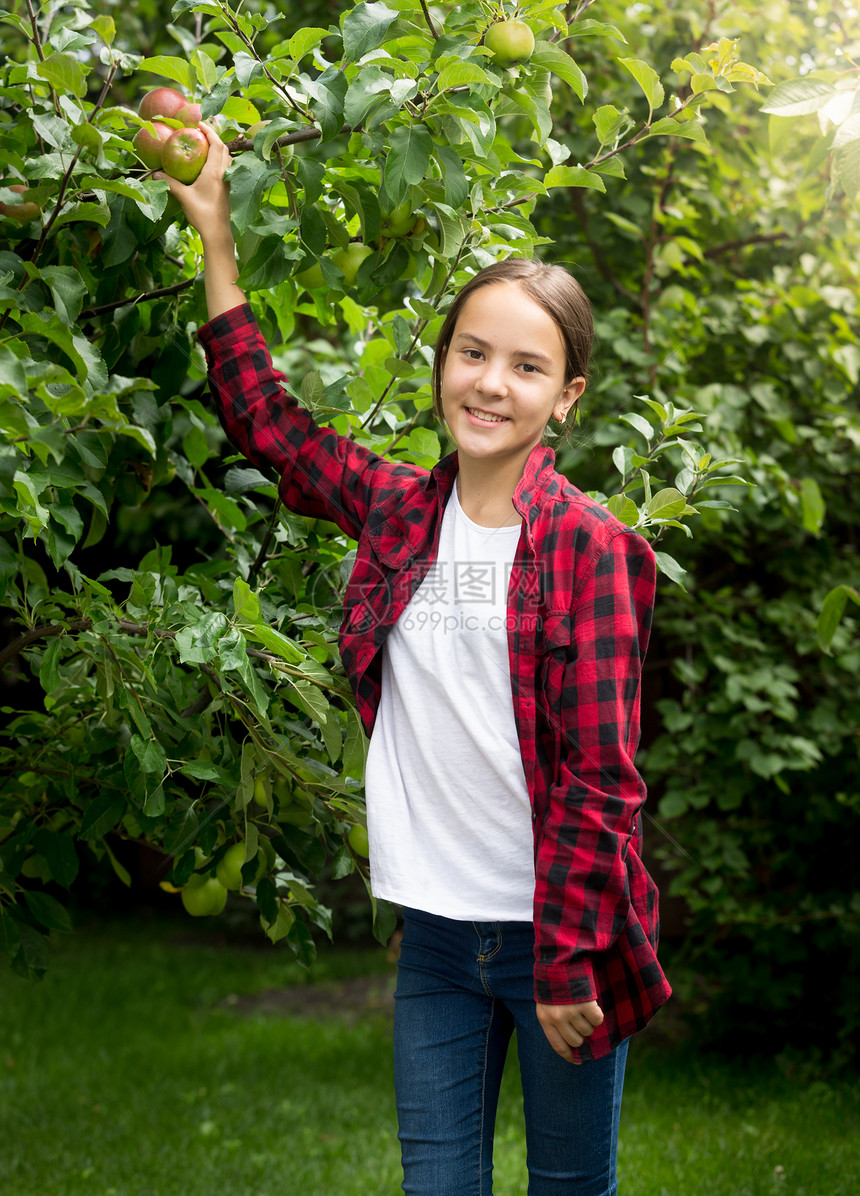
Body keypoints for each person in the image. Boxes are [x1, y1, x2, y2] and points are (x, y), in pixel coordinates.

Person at [158, 122, 671, 1195]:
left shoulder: (590, 550)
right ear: (443, 362)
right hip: (437, 936)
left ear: (566, 396)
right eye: (471, 352)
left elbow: (600, 777)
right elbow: (271, 429)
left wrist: (569, 957)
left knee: (569, 1187)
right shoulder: (400, 511)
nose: (489, 383)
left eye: (526, 366)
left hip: (556, 935)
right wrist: (215, 235)